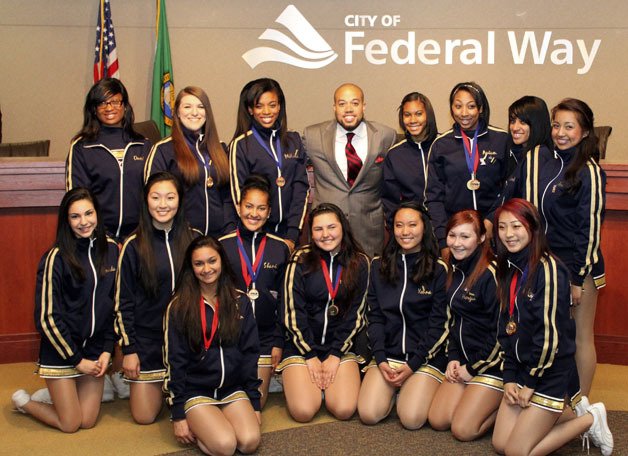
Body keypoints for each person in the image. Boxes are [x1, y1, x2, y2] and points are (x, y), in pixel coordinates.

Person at [496, 98, 605, 397]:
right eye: (557, 125)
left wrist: (576, 278)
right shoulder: (535, 158)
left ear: (584, 133)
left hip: (575, 268)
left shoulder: (589, 171)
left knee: (578, 337)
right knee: (538, 333)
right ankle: (550, 402)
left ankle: (582, 405)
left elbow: (590, 230)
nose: (561, 133)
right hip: (538, 263)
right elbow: (523, 213)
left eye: (570, 127)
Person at [491, 198, 612, 456]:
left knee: (516, 452)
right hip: (523, 368)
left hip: (549, 372)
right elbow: (506, 327)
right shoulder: (508, 267)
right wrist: (510, 377)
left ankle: (589, 419)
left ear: (533, 228)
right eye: (502, 228)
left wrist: (531, 383)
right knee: (499, 444)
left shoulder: (550, 269)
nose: (508, 235)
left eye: (516, 226)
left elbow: (549, 337)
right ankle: (559, 414)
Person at [11, 188, 119, 432]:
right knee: (70, 424)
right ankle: (27, 403)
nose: (84, 222)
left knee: (87, 421)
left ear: (97, 214)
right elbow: (47, 318)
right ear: (66, 221)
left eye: (88, 213)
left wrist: (106, 351)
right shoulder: (55, 257)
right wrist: (76, 360)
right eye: (75, 216)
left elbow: (114, 305)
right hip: (61, 351)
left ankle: (57, 394)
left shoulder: (112, 249)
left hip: (93, 351)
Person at [163, 236, 261, 455]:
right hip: (196, 391)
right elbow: (174, 362)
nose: (206, 268)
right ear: (191, 267)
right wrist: (178, 415)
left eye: (212, 261)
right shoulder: (179, 306)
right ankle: (206, 425)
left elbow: (249, 354)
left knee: (249, 442)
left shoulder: (240, 301)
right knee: (225, 446)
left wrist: (254, 403)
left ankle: (217, 422)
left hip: (232, 389)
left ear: (222, 262)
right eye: (199, 264)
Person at [357, 202, 448, 429]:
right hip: (388, 356)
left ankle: (411, 390)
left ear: (424, 228)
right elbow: (374, 317)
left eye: (412, 225)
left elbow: (439, 325)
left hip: (422, 358)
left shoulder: (438, 269)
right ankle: (396, 391)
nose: (405, 232)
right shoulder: (378, 266)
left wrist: (413, 364)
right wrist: (380, 358)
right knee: (368, 414)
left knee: (411, 419)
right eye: (399, 225)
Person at [115, 172, 196, 424]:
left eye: (170, 197)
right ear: (146, 200)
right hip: (148, 342)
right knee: (144, 417)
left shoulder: (194, 238)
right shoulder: (133, 245)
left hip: (187, 341)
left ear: (180, 201)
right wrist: (129, 350)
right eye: (156, 197)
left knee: (196, 407)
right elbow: (122, 302)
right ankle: (119, 378)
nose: (163, 204)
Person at [278, 203, 370, 422]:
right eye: (318, 229)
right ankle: (307, 384)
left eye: (331, 227)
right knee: (304, 412)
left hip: (340, 346)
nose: (325, 234)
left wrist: (335, 354)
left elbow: (357, 315)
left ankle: (324, 385)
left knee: (344, 409)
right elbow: (291, 311)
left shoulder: (360, 262)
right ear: (311, 232)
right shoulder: (299, 258)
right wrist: (309, 355)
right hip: (302, 346)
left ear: (343, 228)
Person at [427, 209, 503, 441]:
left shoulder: (492, 273)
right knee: (439, 420)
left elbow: (501, 333)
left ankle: (505, 412)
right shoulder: (452, 267)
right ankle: (475, 400)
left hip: (492, 363)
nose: (456, 243)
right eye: (452, 235)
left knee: (463, 430)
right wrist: (453, 357)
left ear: (481, 238)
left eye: (465, 237)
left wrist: (473, 368)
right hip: (463, 361)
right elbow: (452, 320)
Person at [219, 174, 291, 407]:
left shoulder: (280, 248)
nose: (254, 213)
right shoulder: (222, 245)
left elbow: (285, 303)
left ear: (269, 212)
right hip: (229, 336)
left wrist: (278, 342)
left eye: (261, 208)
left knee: (254, 403)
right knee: (228, 398)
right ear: (239, 207)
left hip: (265, 338)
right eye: (248, 206)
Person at [304, 82, 397, 257]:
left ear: (363, 106)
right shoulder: (312, 135)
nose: (348, 109)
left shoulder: (386, 136)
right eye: (342, 103)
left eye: (354, 103)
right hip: (326, 230)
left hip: (368, 230)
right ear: (334, 107)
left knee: (367, 281)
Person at [424, 81, 509, 252]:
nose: (464, 113)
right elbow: (433, 197)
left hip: (494, 232)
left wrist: (492, 219)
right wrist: (443, 238)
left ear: (481, 108)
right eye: (458, 106)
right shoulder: (441, 145)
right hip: (456, 237)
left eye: (471, 106)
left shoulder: (501, 140)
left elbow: (510, 186)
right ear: (451, 108)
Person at [66, 78, 151, 242]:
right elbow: (77, 198)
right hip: (97, 239)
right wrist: (102, 236)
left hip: (140, 239)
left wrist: (140, 234)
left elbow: (154, 194)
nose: (109, 108)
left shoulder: (143, 144)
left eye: (115, 102)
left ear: (124, 106)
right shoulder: (82, 147)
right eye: (102, 103)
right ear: (94, 109)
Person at [230, 78, 309, 251]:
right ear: (250, 109)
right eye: (259, 106)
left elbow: (300, 188)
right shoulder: (241, 144)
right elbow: (239, 195)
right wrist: (258, 233)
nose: (266, 111)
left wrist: (292, 235)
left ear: (280, 106)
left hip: (290, 236)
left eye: (272, 105)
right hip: (256, 235)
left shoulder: (293, 140)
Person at [145, 86, 235, 237]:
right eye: (187, 107)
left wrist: (229, 227)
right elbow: (153, 197)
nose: (194, 112)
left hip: (219, 238)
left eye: (200, 107)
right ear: (177, 113)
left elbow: (228, 195)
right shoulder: (163, 150)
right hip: (182, 237)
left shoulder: (220, 148)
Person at [382, 92, 438, 228]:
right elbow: (390, 201)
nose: (413, 120)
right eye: (407, 115)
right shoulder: (395, 155)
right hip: (412, 230)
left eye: (419, 114)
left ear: (428, 115)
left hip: (445, 226)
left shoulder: (444, 145)